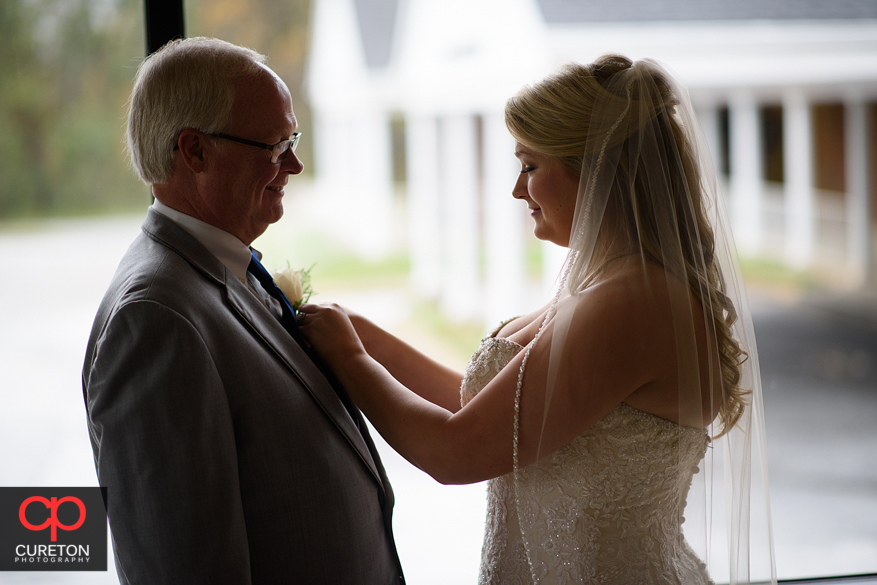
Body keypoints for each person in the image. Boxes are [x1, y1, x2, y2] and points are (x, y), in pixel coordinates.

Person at [299, 55, 776, 584]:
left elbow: (455, 451)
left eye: (530, 165)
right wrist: (367, 340)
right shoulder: (614, 285)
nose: (516, 190)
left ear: (596, 172)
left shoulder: (634, 304)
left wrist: (347, 357)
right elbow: (491, 411)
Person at [82, 37, 404, 584]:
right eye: (276, 145)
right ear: (195, 151)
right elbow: (184, 567)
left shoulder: (218, 268)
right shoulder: (155, 319)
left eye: (293, 140)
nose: (296, 165)